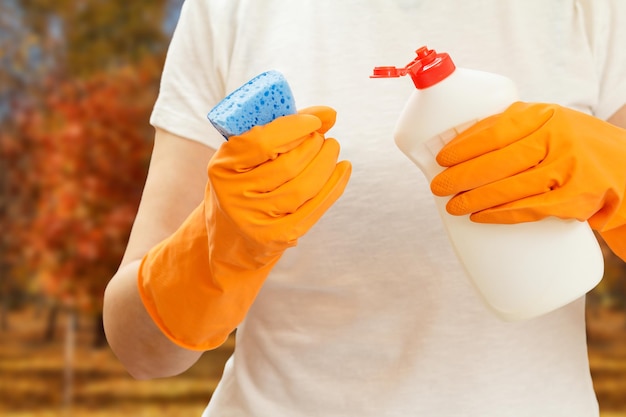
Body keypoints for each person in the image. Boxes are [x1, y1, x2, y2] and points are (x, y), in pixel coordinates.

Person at [103, 1, 626, 415]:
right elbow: (138, 348)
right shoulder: (232, 9)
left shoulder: (590, 8)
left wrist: (615, 172)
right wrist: (213, 250)